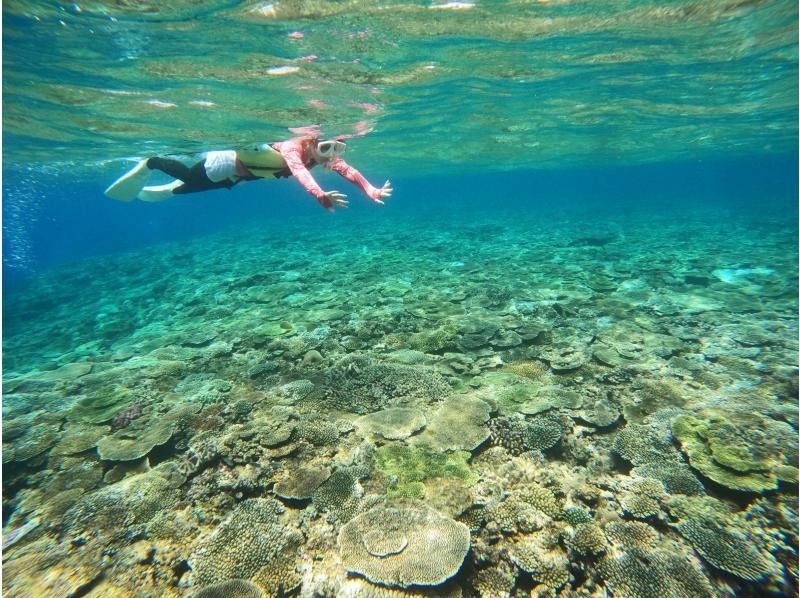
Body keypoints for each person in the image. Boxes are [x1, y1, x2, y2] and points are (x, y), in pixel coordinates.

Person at [104, 136, 392, 211]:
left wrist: (371, 190)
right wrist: (319, 195)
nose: (332, 155)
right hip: (224, 164)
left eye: (337, 150)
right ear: (314, 143)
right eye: (327, 148)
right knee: (193, 178)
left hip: (236, 177)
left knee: (186, 189)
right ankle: (152, 162)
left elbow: (349, 171)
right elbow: (300, 174)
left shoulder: (326, 158)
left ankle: (169, 189)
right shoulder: (293, 148)